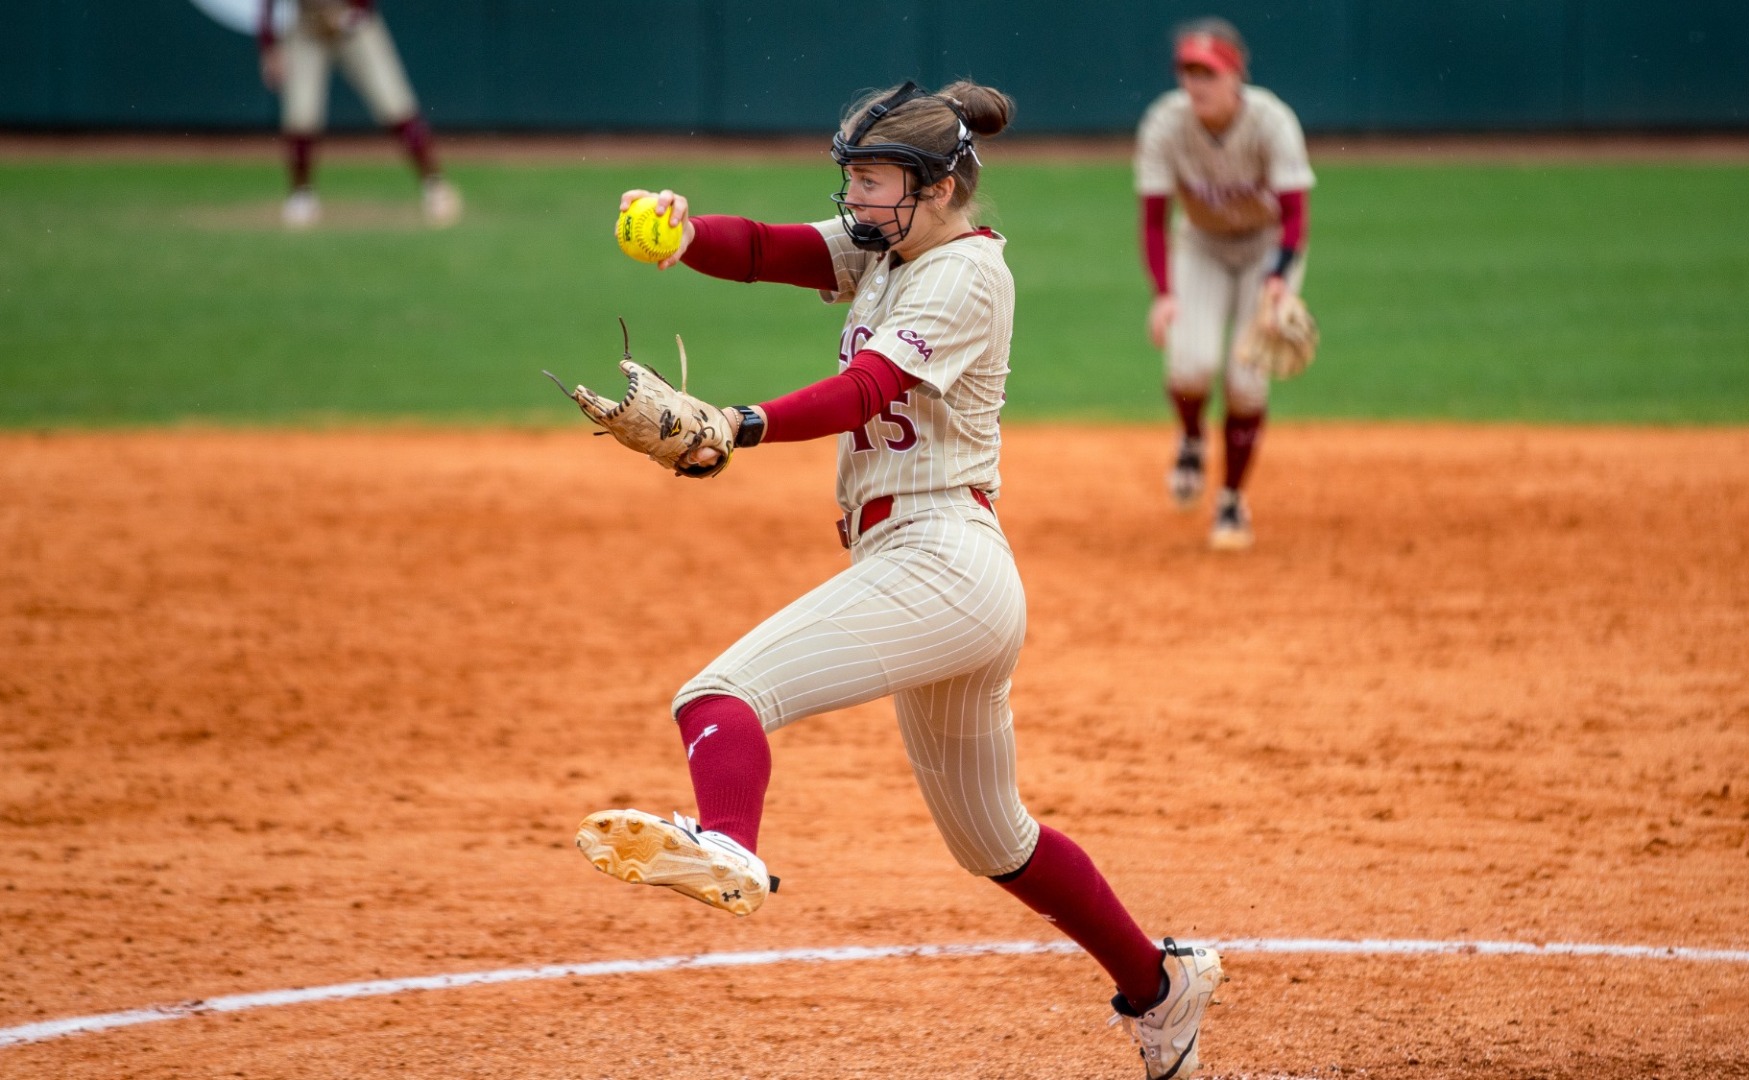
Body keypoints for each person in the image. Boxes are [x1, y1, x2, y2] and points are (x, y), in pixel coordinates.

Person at [571, 79, 1224, 1080]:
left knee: (716, 695)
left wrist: (739, 423)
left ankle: (728, 843)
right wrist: (683, 236)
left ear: (935, 187)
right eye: (853, 182)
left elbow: (868, 387)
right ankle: (1161, 989)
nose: (855, 200)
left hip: (942, 558)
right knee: (994, 841)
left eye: (870, 183)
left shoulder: (964, 275)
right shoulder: (888, 249)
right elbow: (767, 251)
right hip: (938, 572)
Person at [1135, 17, 1315, 551]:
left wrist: (1280, 279)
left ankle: (1232, 499)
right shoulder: (1165, 124)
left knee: (1247, 379)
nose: (1197, 84)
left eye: (1208, 73)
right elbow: (1152, 220)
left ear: (1235, 75)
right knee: (1190, 365)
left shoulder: (1272, 121)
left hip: (1267, 248)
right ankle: (1192, 437)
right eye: (1188, 72)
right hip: (1202, 246)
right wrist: (1164, 293)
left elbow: (1295, 215)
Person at [256, 0, 460, 229]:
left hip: (354, 22)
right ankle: (302, 197)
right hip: (308, 25)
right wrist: (269, 46)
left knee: (395, 105)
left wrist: (348, 15)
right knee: (300, 115)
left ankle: (435, 186)